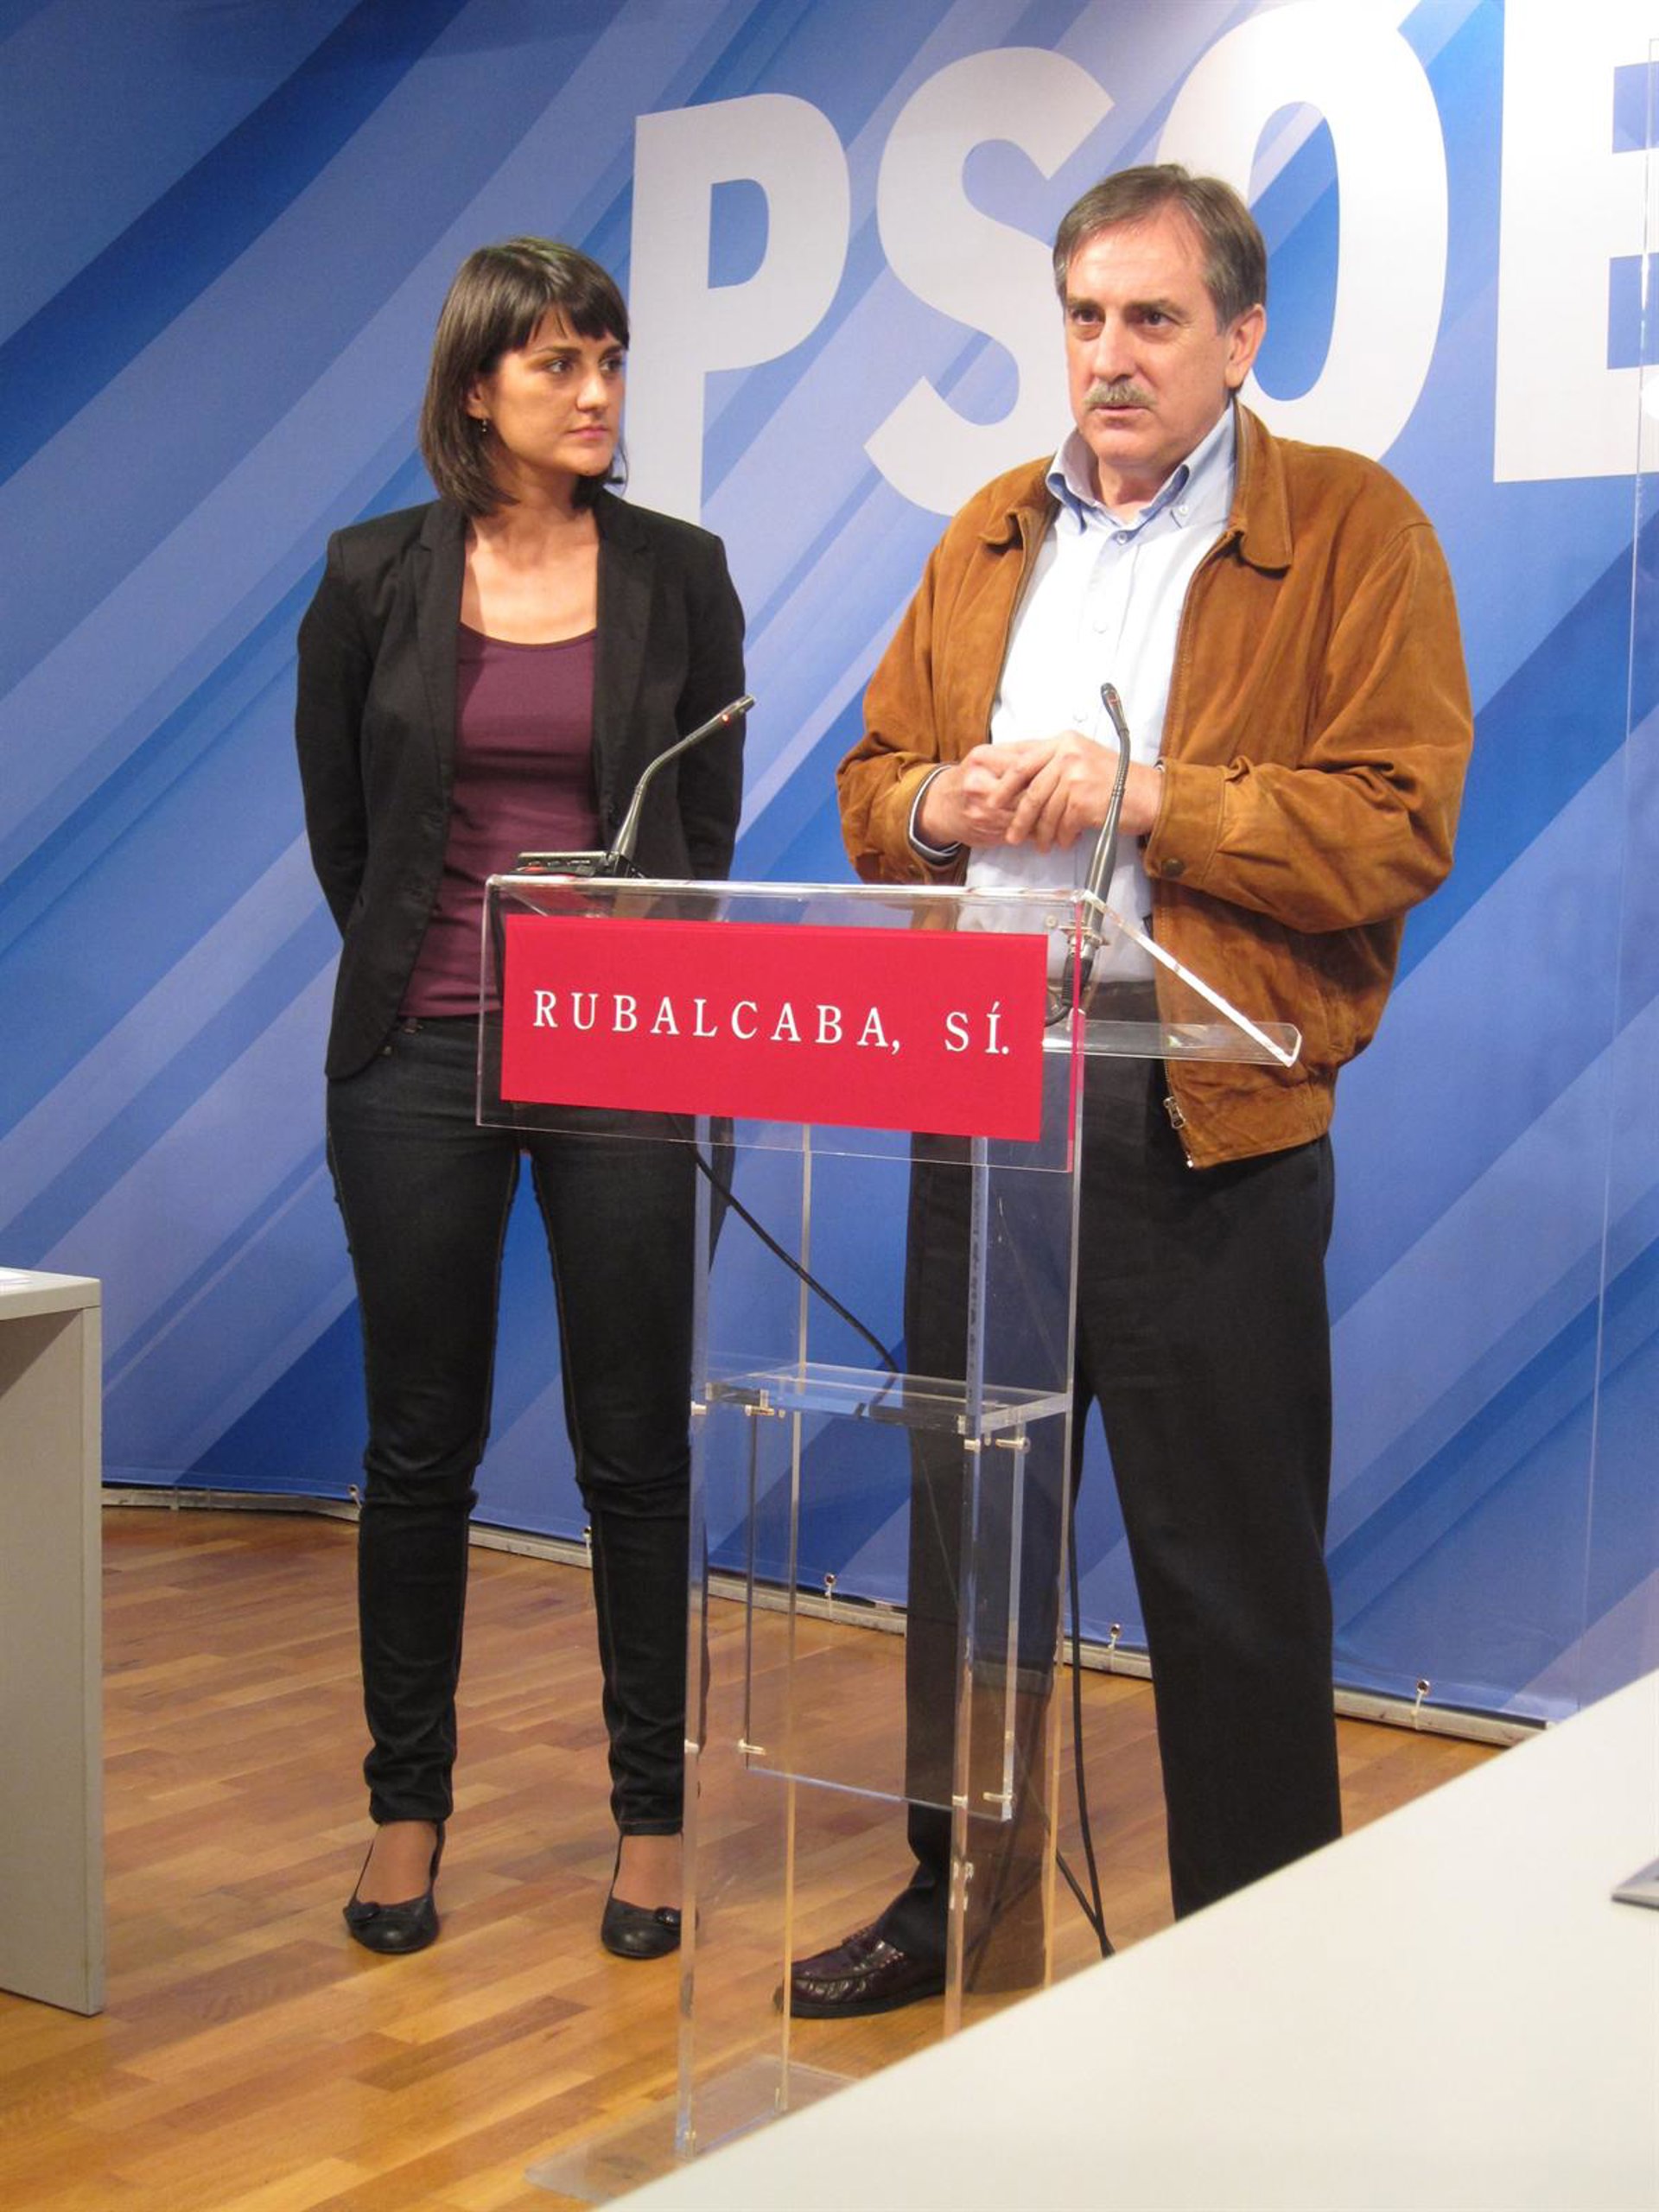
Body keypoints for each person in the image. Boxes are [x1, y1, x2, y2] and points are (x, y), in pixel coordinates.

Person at [791, 164, 1472, 2016]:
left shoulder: (1353, 528)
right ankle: (956, 1896)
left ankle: (1262, 1958)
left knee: (1226, 1567)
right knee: (973, 1537)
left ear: (1241, 339)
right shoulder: (991, 529)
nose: (1110, 354)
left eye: (1153, 319)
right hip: (980, 1088)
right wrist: (941, 805)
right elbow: (871, 786)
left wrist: (1143, 794)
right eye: (1086, 316)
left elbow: (1395, 823)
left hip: (1201, 1113)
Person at [295, 238, 746, 1959]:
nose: (597, 390)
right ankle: (406, 1807)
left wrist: (624, 988)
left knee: (634, 1446)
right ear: (477, 386)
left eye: (610, 358)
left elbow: (702, 832)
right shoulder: (370, 575)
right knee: (419, 1446)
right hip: (419, 1051)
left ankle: (651, 1822)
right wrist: (439, 978)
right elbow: (351, 835)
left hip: (622, 1043)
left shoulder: (682, 574)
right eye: (560, 362)